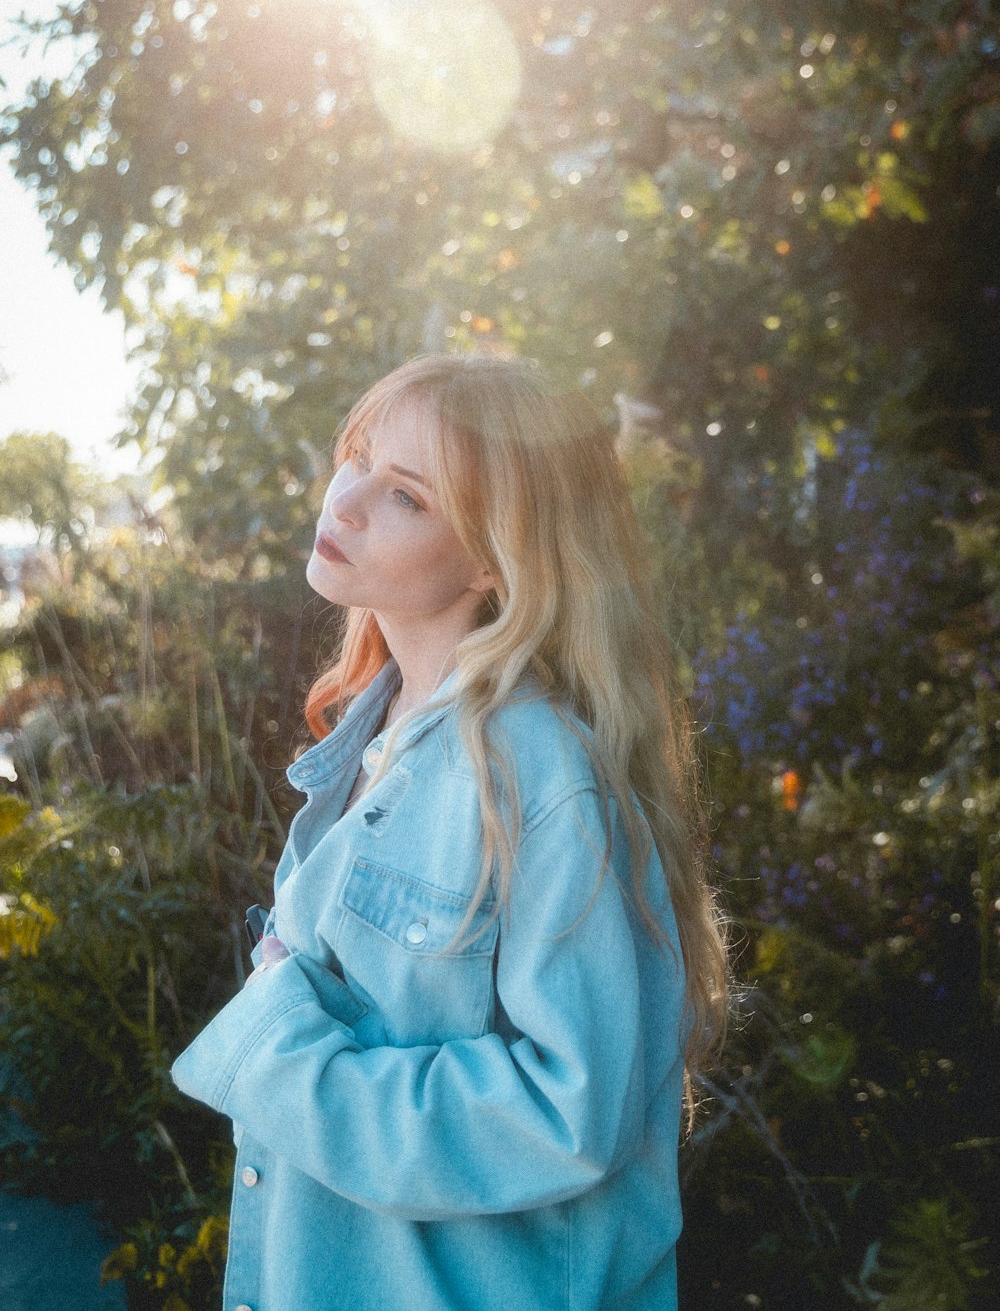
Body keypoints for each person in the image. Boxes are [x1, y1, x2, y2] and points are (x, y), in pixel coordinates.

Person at [172, 353, 729, 1311]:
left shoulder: (543, 781)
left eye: (406, 497)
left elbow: (564, 1114)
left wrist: (277, 1053)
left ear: (493, 558)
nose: (343, 501)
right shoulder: (366, 740)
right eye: (357, 458)